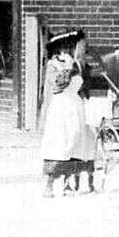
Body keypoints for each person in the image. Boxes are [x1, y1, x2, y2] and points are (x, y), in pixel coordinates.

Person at [39, 29, 95, 197]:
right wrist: (69, 68)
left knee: (76, 140)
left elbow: (84, 86)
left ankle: (68, 181)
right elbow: (57, 86)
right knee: (60, 142)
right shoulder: (53, 65)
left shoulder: (79, 65)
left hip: (76, 107)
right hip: (61, 107)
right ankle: (49, 184)